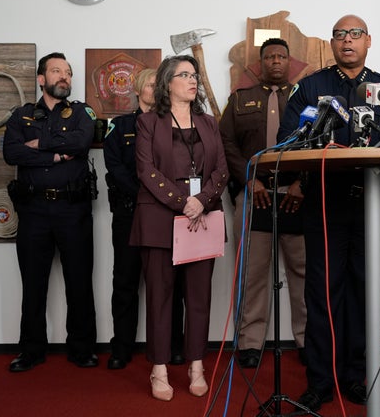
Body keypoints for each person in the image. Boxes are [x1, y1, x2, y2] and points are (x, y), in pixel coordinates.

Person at [277, 14, 380, 411]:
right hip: (327, 204)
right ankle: (321, 379)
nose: (346, 41)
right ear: (331, 44)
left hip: (372, 207)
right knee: (324, 295)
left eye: (355, 34)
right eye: (339, 35)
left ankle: (356, 375)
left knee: (366, 293)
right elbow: (287, 140)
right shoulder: (311, 87)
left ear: (369, 41)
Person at [128, 55, 228, 401]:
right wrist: (182, 201)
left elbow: (221, 170)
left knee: (199, 299)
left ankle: (196, 366)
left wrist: (201, 200)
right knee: (160, 298)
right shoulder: (147, 122)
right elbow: (146, 170)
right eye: (184, 74)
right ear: (167, 82)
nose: (192, 80)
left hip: (202, 218)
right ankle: (159, 370)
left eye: (194, 74)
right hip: (159, 220)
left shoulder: (208, 122)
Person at [3, 52, 98, 372]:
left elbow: (82, 142)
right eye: (57, 71)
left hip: (73, 209)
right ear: (41, 78)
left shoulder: (83, 111)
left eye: (68, 73)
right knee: (33, 284)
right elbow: (11, 152)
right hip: (34, 211)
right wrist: (57, 155)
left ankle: (82, 349)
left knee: (79, 282)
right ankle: (31, 351)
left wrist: (37, 144)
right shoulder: (22, 115)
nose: (65, 77)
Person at [219, 38, 307, 368]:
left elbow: (321, 141)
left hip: (295, 196)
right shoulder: (240, 100)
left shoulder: (306, 100)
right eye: (269, 56)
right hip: (253, 195)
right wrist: (248, 179)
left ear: (289, 61)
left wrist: (303, 184)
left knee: (303, 272)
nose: (275, 61)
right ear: (260, 63)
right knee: (252, 272)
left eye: (281, 56)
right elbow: (224, 142)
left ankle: (307, 339)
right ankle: (251, 342)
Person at [104, 68, 186, 370]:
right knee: (125, 281)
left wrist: (161, 198)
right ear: (138, 90)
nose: (156, 89)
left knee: (170, 285)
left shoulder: (175, 124)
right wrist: (146, 195)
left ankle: (173, 345)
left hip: (167, 215)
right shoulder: (121, 125)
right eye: (151, 85)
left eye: (160, 85)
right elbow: (115, 166)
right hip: (130, 213)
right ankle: (121, 348)